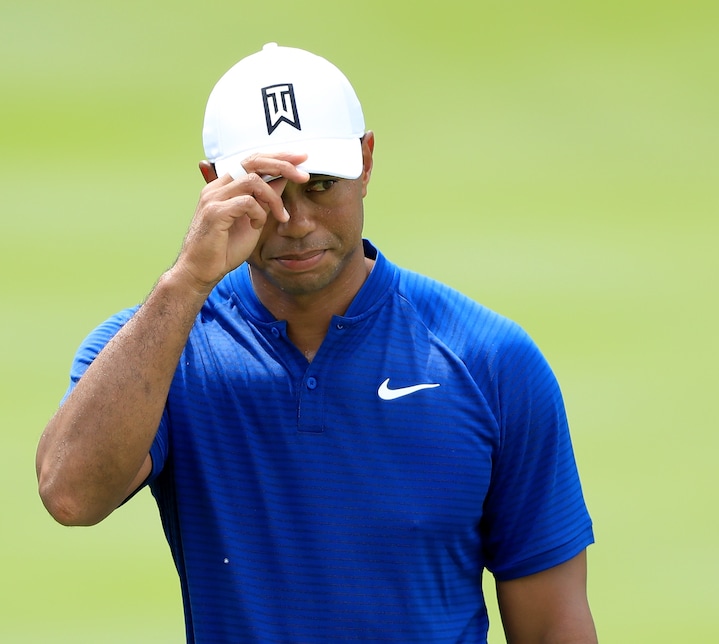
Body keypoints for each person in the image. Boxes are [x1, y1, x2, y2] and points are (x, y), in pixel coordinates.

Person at [36, 43, 596, 643]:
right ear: (210, 186)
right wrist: (185, 284)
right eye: (267, 190)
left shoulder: (490, 360)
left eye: (322, 185)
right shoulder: (159, 349)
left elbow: (552, 622)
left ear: (367, 161)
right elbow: (71, 496)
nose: (295, 220)